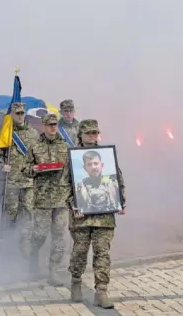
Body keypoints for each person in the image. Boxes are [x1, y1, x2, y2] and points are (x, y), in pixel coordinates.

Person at [68, 119, 126, 309]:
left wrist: (120, 202)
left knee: (102, 254)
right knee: (80, 252)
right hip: (81, 217)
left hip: (104, 218)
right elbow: (63, 187)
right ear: (81, 135)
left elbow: (119, 181)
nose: (92, 136)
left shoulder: (106, 157)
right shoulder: (73, 158)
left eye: (94, 133)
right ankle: (76, 282)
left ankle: (101, 292)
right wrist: (73, 204)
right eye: (88, 133)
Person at [23, 113, 70, 286]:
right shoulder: (35, 145)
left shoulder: (65, 145)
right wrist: (33, 169)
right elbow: (24, 169)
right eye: (49, 125)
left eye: (55, 124)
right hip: (42, 199)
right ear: (43, 126)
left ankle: (54, 271)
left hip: (61, 199)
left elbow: (72, 169)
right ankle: (33, 259)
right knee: (40, 234)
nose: (52, 127)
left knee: (59, 235)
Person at [0, 103, 39, 258]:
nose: (20, 116)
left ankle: (25, 244)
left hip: (28, 181)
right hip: (11, 180)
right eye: (17, 113)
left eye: (22, 113)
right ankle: (7, 244)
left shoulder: (33, 133)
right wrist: (1, 165)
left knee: (28, 212)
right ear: (11, 114)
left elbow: (37, 154)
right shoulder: (6, 132)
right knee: (11, 213)